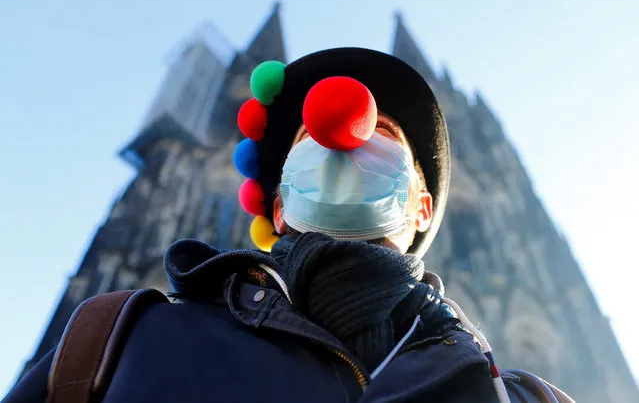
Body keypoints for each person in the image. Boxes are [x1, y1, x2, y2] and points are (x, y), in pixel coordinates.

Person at [3, 48, 574, 403]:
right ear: (277, 207)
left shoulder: (525, 397)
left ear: (423, 208)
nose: (344, 139)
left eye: (385, 136)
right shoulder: (111, 346)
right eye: (309, 142)